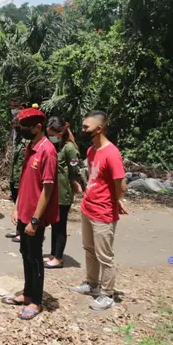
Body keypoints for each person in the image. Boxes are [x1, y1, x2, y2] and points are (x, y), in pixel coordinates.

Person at [2, 104, 59, 321]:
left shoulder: (47, 151)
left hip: (35, 218)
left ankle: (36, 301)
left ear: (37, 127)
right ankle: (27, 294)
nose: (21, 130)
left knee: (35, 258)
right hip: (23, 213)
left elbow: (47, 189)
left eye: (25, 126)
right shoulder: (31, 147)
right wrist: (16, 207)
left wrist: (35, 220)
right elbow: (25, 183)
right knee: (26, 255)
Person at [69, 110, 127, 311]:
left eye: (86, 127)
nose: (83, 130)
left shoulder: (112, 153)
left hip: (103, 212)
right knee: (89, 249)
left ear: (99, 129)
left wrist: (115, 201)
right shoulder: (92, 150)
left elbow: (121, 186)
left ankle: (107, 293)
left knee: (104, 255)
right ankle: (92, 283)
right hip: (88, 207)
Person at [45, 116, 83, 269]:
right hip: (55, 191)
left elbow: (74, 170)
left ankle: (59, 258)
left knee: (60, 226)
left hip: (63, 191)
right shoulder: (60, 145)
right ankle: (54, 253)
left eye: (52, 134)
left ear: (60, 132)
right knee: (55, 224)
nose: (51, 137)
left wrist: (75, 184)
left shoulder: (70, 148)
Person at [7, 101, 28, 242]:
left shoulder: (27, 141)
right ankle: (18, 230)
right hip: (14, 177)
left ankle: (22, 232)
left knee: (22, 205)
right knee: (16, 203)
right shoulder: (18, 139)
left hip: (22, 178)